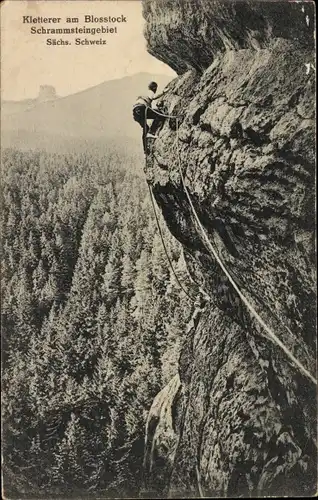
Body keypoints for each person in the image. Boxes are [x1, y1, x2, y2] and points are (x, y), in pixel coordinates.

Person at [133, 81, 167, 153]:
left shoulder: (143, 94)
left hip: (135, 112)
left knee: (145, 128)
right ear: (154, 88)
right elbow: (153, 97)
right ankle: (151, 132)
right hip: (142, 108)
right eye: (156, 89)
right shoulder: (150, 92)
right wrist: (163, 92)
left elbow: (149, 107)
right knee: (159, 114)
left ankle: (146, 149)